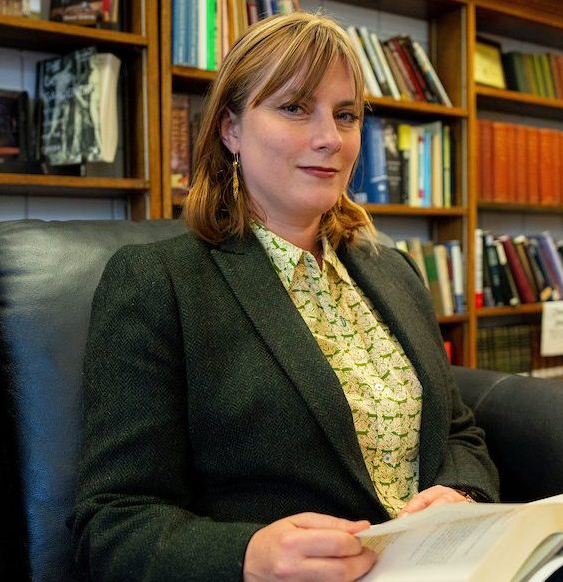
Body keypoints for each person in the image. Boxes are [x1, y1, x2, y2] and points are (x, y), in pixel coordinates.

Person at [70, 12, 498, 581]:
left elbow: (459, 432)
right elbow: (111, 524)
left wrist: (460, 495)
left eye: (345, 115)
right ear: (230, 129)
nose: (330, 137)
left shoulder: (392, 270)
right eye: (295, 107)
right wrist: (248, 556)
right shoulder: (158, 283)